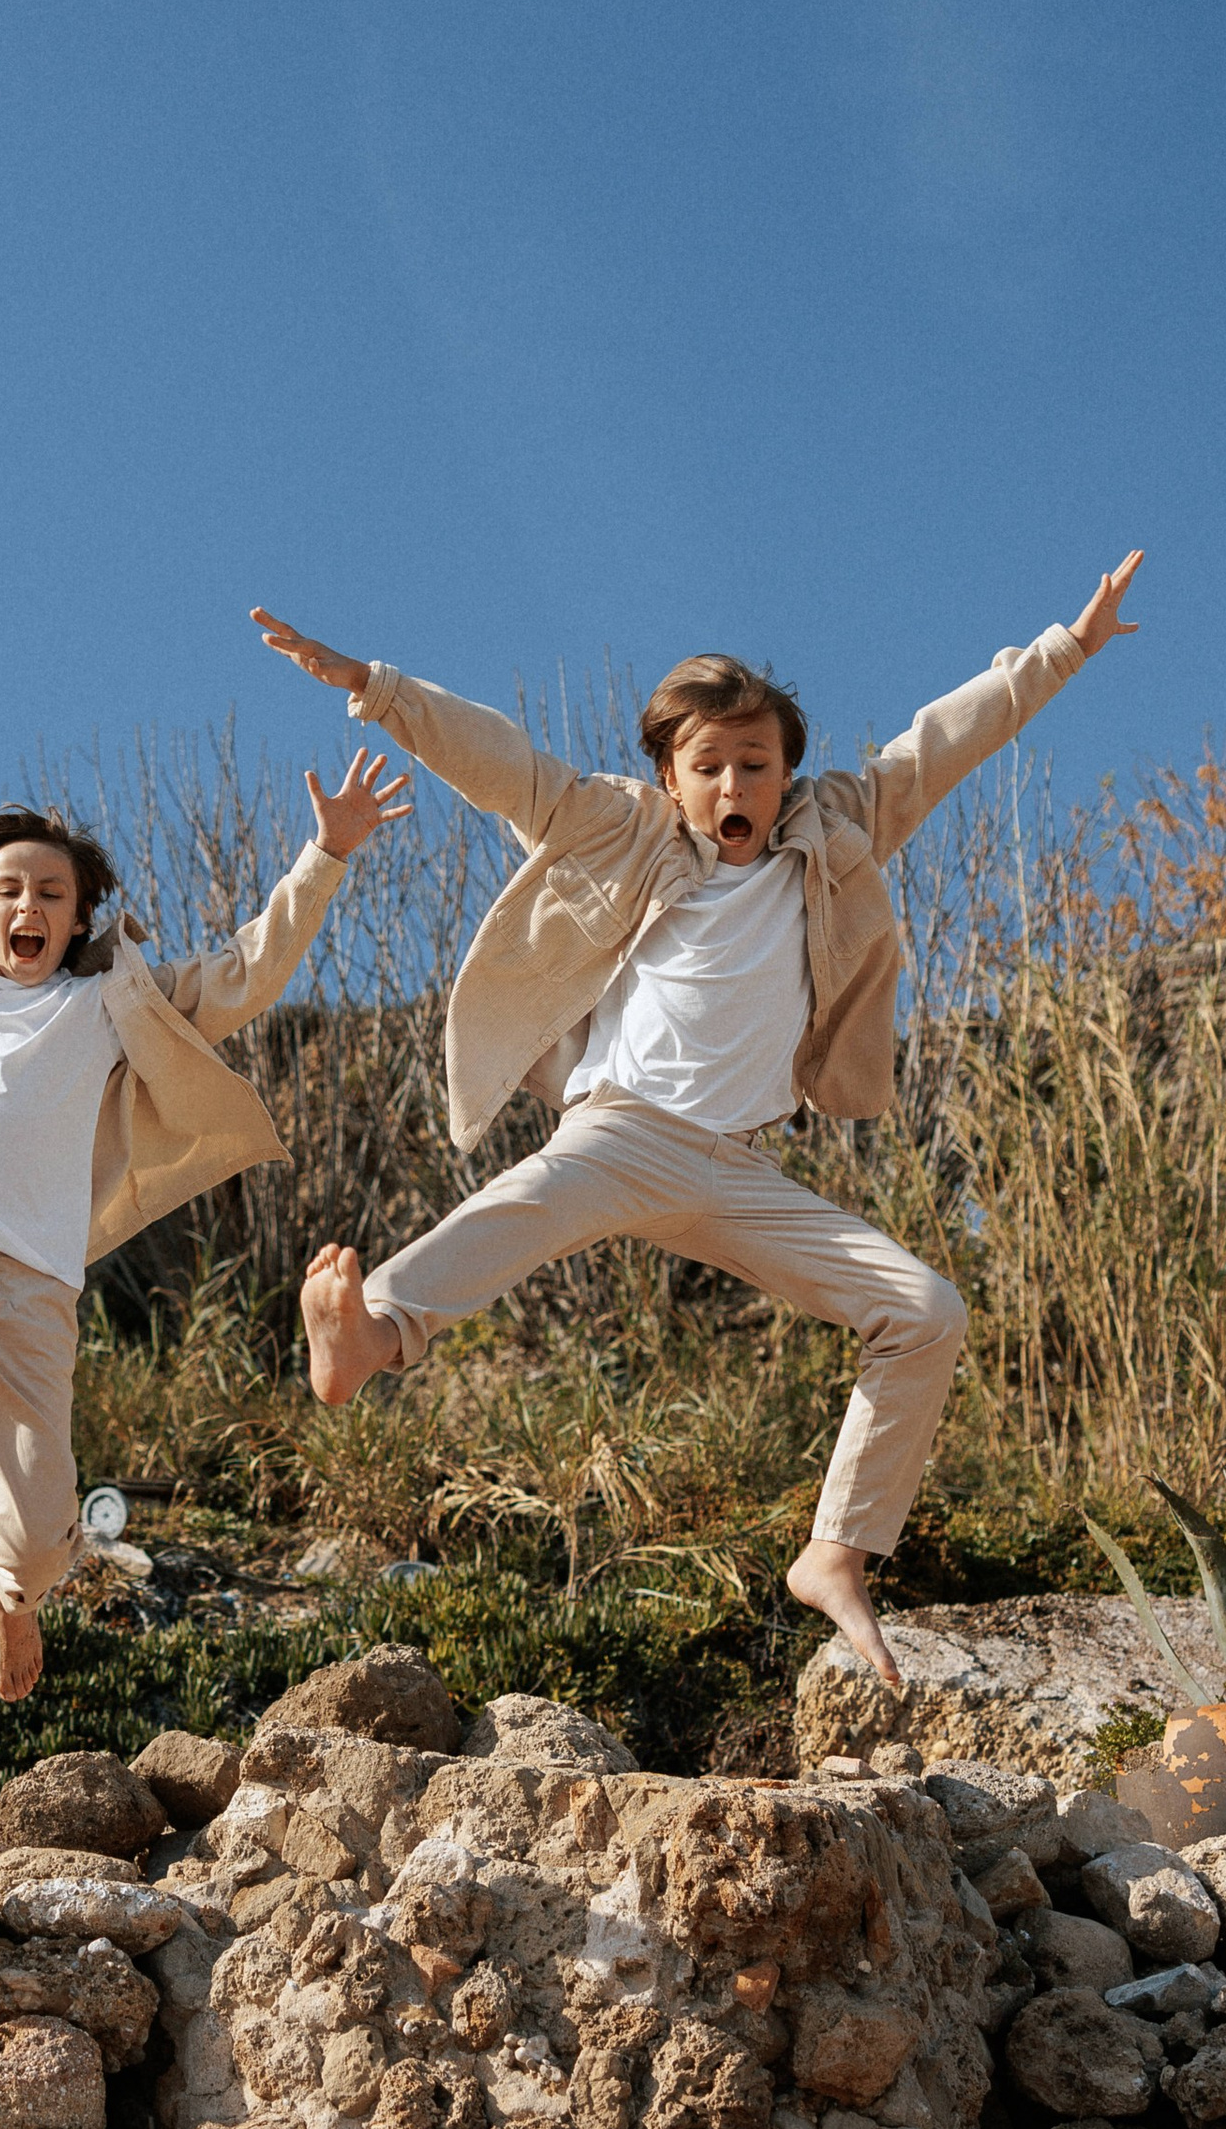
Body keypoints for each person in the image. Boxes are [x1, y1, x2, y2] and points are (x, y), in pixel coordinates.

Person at [255, 557, 1142, 1686]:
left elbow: (944, 740)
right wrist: (379, 689)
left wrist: (1063, 648)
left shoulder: (840, 829)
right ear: (671, 779)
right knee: (517, 1206)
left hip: (734, 1171)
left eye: (755, 765)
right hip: (621, 1132)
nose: (733, 784)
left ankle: (835, 1553)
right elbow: (501, 763)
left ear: (785, 778)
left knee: (924, 1311)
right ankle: (375, 1333)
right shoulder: (617, 833)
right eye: (709, 766)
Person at [0, 667, 411, 1699]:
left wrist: (324, 855)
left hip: (27, 1283)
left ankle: (15, 1595)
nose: (29, 906)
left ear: (77, 916)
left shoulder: (115, 1002)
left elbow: (248, 969)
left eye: (51, 894)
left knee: (40, 1513)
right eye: (9, 889)